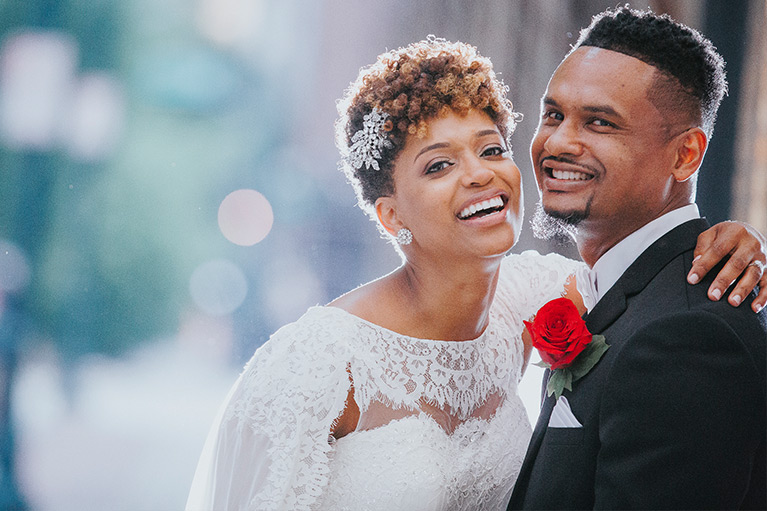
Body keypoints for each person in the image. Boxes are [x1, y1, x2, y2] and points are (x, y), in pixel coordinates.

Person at [186, 37, 765, 511]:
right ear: (390, 215)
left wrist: (731, 239)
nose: (478, 176)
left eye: (490, 150)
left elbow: (647, 289)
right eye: (438, 165)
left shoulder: (537, 296)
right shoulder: (314, 363)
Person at [508, 7, 766, 510]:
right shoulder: (609, 291)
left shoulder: (688, 338)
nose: (558, 142)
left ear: (686, 155)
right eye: (554, 115)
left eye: (600, 122)